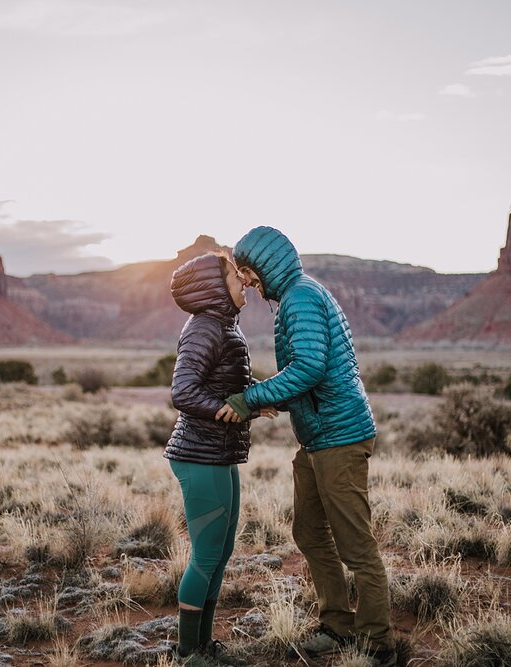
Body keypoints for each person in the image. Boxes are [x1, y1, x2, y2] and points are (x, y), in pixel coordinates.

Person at [216, 226, 397, 667]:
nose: (249, 285)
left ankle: (378, 644)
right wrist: (259, 392)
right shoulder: (298, 296)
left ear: (264, 265)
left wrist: (250, 398)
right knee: (309, 531)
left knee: (356, 545)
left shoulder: (299, 297)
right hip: (320, 436)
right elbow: (306, 370)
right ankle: (337, 624)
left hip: (340, 437)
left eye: (248, 274)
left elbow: (310, 368)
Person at [164, 251, 275, 666]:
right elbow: (183, 391)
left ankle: (204, 646)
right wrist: (226, 409)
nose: (243, 282)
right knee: (207, 555)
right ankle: (188, 653)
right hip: (200, 454)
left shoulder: (223, 325)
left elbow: (232, 383)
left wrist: (257, 399)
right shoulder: (204, 329)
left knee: (221, 552)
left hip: (220, 452)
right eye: (234, 275)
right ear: (215, 285)